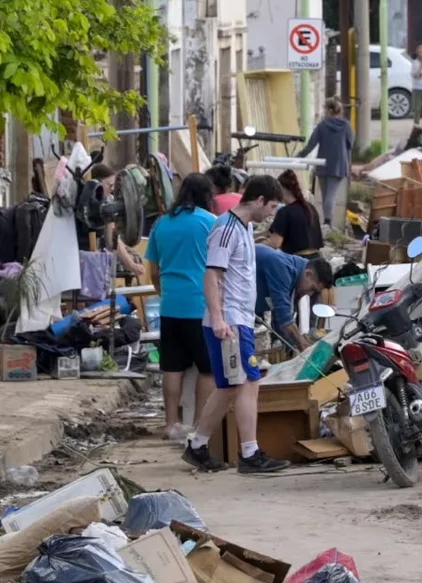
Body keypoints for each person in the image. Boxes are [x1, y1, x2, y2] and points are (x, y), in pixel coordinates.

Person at [183, 174, 289, 474]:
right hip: (228, 320)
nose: (271, 214)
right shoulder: (226, 228)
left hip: (239, 318)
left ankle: (240, 448)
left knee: (245, 381)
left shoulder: (245, 226)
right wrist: (218, 318)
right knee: (233, 383)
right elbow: (211, 275)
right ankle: (208, 444)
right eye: (271, 207)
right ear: (259, 201)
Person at [144, 173, 218, 439]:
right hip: (201, 305)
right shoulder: (211, 222)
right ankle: (198, 424)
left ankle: (170, 423)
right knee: (208, 367)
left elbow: (152, 269)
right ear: (206, 195)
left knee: (172, 367)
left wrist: (164, 293)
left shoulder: (161, 224)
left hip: (170, 305)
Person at [255, 245, 334, 352]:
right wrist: (302, 345)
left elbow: (279, 321)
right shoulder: (282, 267)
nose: (309, 294)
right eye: (312, 289)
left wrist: (292, 346)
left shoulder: (296, 275)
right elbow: (284, 317)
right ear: (308, 274)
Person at [77, 162, 147, 278]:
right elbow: (112, 240)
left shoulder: (108, 201)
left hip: (94, 261)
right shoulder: (86, 204)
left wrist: (131, 261)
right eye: (109, 185)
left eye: (114, 185)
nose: (112, 189)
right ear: (97, 184)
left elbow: (114, 239)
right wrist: (131, 265)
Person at [299, 97, 355, 227]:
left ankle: (326, 221)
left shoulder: (322, 125)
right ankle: (328, 222)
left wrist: (300, 155)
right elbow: (350, 144)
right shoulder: (346, 125)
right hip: (339, 164)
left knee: (325, 195)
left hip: (322, 163)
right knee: (331, 194)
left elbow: (311, 145)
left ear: (328, 110)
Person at [266, 170, 323, 259]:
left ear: (282, 189)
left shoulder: (284, 212)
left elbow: (275, 243)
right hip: (317, 259)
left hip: (297, 261)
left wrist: (255, 246)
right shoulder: (310, 208)